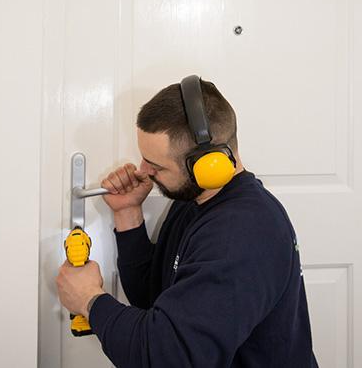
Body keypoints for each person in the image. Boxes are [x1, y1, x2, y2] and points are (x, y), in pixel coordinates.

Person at [56, 76, 319, 367]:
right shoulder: (196, 202)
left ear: (208, 167)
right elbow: (154, 299)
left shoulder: (242, 233)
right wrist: (128, 213)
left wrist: (89, 301)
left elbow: (165, 356)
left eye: (155, 165)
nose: (143, 171)